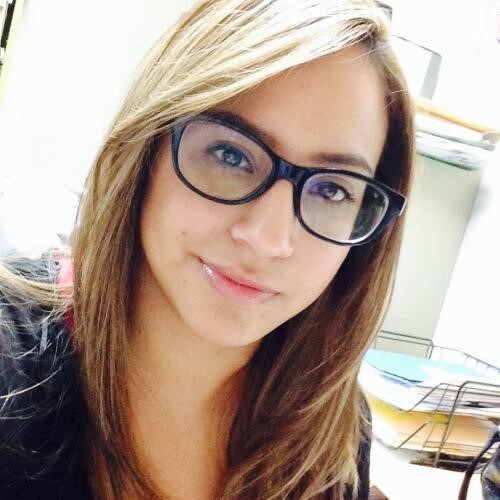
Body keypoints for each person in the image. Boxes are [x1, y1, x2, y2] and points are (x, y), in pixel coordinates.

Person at [0, 0, 414, 498]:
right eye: (230, 154)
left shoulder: (333, 427)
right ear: (149, 145)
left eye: (332, 190)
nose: (269, 238)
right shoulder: (11, 365)